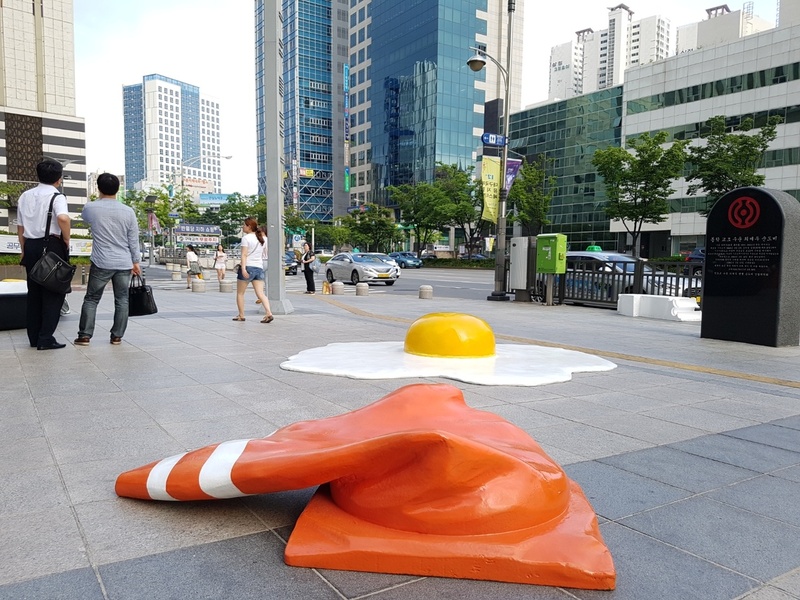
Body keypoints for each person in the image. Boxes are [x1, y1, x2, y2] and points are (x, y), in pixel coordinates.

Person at [73, 173, 141, 346]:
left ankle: (85, 335)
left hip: (101, 261)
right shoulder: (128, 211)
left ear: (98, 188)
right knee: (122, 299)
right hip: (124, 262)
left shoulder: (91, 208)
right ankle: (117, 336)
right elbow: (133, 239)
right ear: (118, 189)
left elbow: (85, 218)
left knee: (91, 299)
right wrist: (136, 262)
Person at [17, 159, 71, 350]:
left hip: (31, 245)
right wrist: (66, 239)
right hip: (52, 246)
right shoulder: (57, 197)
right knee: (54, 292)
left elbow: (20, 227)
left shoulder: (25, 196)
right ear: (59, 179)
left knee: (34, 293)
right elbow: (63, 218)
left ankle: (34, 338)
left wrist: (24, 249)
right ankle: (46, 338)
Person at [233, 217, 274, 323]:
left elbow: (244, 255)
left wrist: (243, 269)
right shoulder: (261, 238)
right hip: (259, 268)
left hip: (248, 267)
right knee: (261, 293)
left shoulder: (246, 238)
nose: (243, 226)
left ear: (249, 226)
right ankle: (269, 313)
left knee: (240, 293)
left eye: (244, 225)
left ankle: (241, 315)